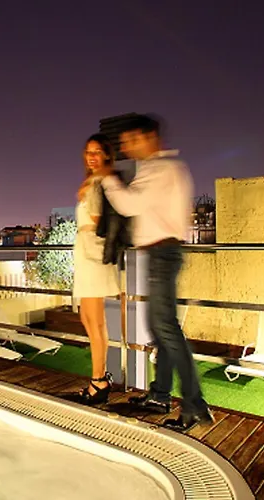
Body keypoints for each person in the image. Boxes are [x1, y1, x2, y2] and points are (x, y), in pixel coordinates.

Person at [97, 114, 213, 432]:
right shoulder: (165, 168)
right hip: (162, 254)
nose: (126, 147)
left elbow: (129, 205)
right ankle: (160, 395)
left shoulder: (159, 169)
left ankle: (194, 404)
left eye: (131, 140)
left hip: (162, 254)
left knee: (166, 330)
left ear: (149, 137)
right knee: (161, 330)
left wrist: (107, 177)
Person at [73, 134, 121, 405]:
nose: (91, 156)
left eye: (97, 152)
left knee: (95, 320)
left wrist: (89, 195)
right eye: (88, 151)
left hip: (93, 252)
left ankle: (99, 381)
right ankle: (99, 378)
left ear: (106, 155)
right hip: (86, 253)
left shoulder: (104, 181)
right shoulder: (93, 181)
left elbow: (98, 218)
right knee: (88, 318)